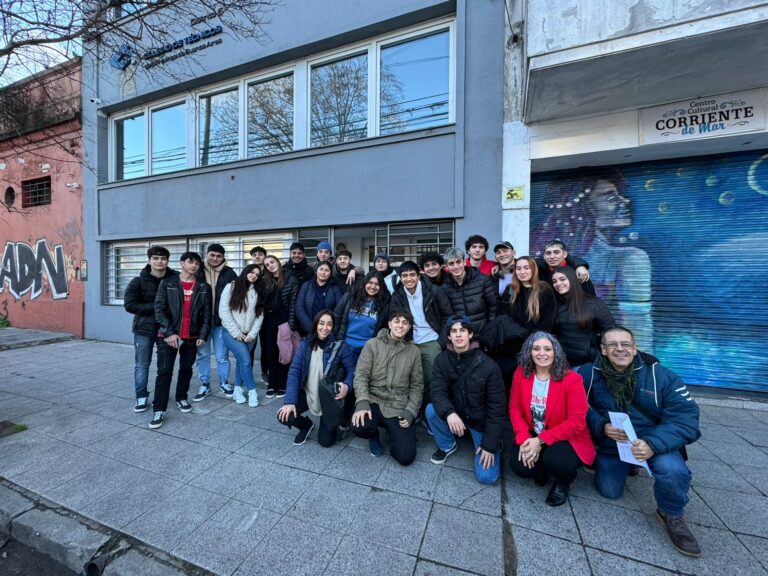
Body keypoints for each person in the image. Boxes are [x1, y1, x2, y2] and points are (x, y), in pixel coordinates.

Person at [578, 326, 701, 557]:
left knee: (673, 470)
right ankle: (627, 466)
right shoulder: (589, 373)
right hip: (612, 444)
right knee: (609, 491)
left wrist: (652, 444)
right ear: (603, 350)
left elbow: (686, 419)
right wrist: (600, 426)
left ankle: (671, 513)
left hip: (652, 441)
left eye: (625, 344)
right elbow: (577, 407)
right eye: (612, 345)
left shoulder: (661, 376)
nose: (620, 349)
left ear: (635, 349)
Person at [533, 168, 652, 350]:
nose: (625, 202)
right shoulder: (630, 260)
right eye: (610, 197)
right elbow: (638, 331)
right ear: (583, 207)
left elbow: (635, 334)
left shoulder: (623, 260)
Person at [508, 332, 595, 506]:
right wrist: (525, 438)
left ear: (556, 352)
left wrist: (539, 441)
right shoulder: (521, 373)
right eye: (536, 348)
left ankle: (562, 483)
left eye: (547, 349)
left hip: (563, 435)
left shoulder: (572, 380)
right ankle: (540, 467)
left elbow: (576, 424)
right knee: (520, 467)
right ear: (529, 352)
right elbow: (514, 408)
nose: (542, 353)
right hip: (533, 431)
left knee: (558, 461)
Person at [426, 316, 506, 485]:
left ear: (470, 334)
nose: (458, 335)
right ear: (448, 336)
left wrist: (489, 445)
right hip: (456, 411)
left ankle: (494, 442)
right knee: (431, 410)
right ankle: (448, 445)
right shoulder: (442, 360)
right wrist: (449, 413)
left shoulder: (488, 365)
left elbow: (497, 409)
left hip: (480, 420)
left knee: (487, 477)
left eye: (462, 330)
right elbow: (437, 391)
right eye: (453, 331)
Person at [351, 309, 423, 464]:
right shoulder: (372, 345)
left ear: (409, 327)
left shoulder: (414, 351)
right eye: (397, 321)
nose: (400, 326)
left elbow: (417, 386)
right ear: (389, 324)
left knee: (405, 457)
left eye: (405, 323)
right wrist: (362, 402)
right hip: (373, 399)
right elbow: (361, 376)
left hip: (397, 405)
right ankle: (374, 435)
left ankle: (393, 432)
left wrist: (411, 411)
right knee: (359, 425)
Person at [150, 251, 212, 429]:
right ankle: (159, 408)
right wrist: (168, 332)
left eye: (197, 263)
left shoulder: (203, 287)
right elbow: (159, 309)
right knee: (164, 371)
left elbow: (207, 314)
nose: (194, 265)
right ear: (182, 264)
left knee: (186, 369)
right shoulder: (168, 283)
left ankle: (181, 398)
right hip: (169, 336)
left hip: (192, 336)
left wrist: (202, 335)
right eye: (190, 262)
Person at [277, 310, 357, 447]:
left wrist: (347, 385)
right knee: (284, 415)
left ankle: (340, 420)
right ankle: (306, 425)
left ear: (333, 327)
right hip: (309, 394)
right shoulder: (305, 345)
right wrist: (289, 401)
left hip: (328, 398)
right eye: (321, 323)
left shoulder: (340, 347)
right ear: (315, 325)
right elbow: (294, 372)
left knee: (326, 442)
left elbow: (352, 370)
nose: (325, 328)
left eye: (329, 324)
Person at [390, 261, 452, 416]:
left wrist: (441, 341)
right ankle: (412, 411)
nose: (409, 279)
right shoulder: (397, 295)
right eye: (405, 276)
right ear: (400, 278)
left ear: (419, 275)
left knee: (431, 379)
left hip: (431, 339)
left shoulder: (434, 291)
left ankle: (429, 413)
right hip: (408, 340)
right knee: (408, 378)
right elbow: (393, 318)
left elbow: (448, 316)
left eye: (412, 275)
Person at [124, 245, 178, 413]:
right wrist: (157, 307)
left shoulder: (175, 279)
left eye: (163, 258)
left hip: (167, 330)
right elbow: (130, 305)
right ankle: (141, 396)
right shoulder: (137, 281)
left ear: (167, 260)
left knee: (165, 367)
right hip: (144, 329)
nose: (159, 261)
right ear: (149, 260)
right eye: (155, 258)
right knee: (142, 364)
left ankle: (161, 396)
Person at [193, 243, 237, 402]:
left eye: (219, 256)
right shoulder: (197, 270)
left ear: (223, 257)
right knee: (203, 355)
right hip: (201, 322)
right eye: (212, 255)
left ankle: (224, 383)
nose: (215, 258)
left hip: (220, 322)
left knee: (222, 356)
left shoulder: (230, 273)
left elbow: (236, 297)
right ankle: (204, 384)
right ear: (207, 254)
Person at [219, 264, 264, 408]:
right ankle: (252, 391)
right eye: (252, 272)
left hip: (249, 335)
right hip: (231, 333)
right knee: (245, 361)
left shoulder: (257, 291)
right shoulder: (231, 287)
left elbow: (259, 315)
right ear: (245, 271)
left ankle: (237, 390)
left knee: (241, 361)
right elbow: (224, 312)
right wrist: (236, 333)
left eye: (257, 275)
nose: (254, 276)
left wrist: (252, 334)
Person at [552, 266, 614, 367]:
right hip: (563, 364)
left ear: (572, 279)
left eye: (562, 279)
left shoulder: (594, 303)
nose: (558, 284)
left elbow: (611, 331)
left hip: (588, 364)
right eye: (554, 281)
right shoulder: (555, 305)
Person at [260, 254, 298, 399]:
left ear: (278, 262)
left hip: (284, 320)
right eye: (267, 264)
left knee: (284, 353)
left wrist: (292, 323)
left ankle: (282, 384)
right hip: (268, 321)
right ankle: (272, 384)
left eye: (272, 262)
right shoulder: (264, 280)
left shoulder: (290, 278)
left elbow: (293, 302)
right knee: (271, 352)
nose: (270, 265)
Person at [333, 270, 390, 364]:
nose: (373, 286)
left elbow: (384, 327)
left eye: (377, 284)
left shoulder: (384, 303)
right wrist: (337, 339)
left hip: (366, 351)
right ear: (365, 283)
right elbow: (337, 316)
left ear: (381, 287)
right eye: (370, 283)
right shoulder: (351, 295)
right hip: (344, 347)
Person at [440, 247, 498, 334]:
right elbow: (445, 316)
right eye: (451, 264)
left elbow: (493, 306)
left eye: (458, 262)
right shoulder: (444, 288)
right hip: (460, 337)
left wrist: (490, 330)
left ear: (464, 262)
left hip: (483, 334)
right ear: (447, 267)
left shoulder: (483, 280)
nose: (455, 266)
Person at [295, 260, 342, 336]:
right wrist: (311, 328)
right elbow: (299, 307)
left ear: (330, 273)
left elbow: (339, 310)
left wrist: (326, 327)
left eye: (327, 270)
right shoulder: (306, 285)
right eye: (321, 269)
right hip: (308, 330)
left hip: (327, 331)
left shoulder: (335, 288)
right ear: (316, 271)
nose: (323, 272)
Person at [491, 241, 516, 309]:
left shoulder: (523, 271)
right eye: (498, 252)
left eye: (505, 251)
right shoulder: (494, 275)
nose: (502, 254)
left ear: (513, 253)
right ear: (495, 257)